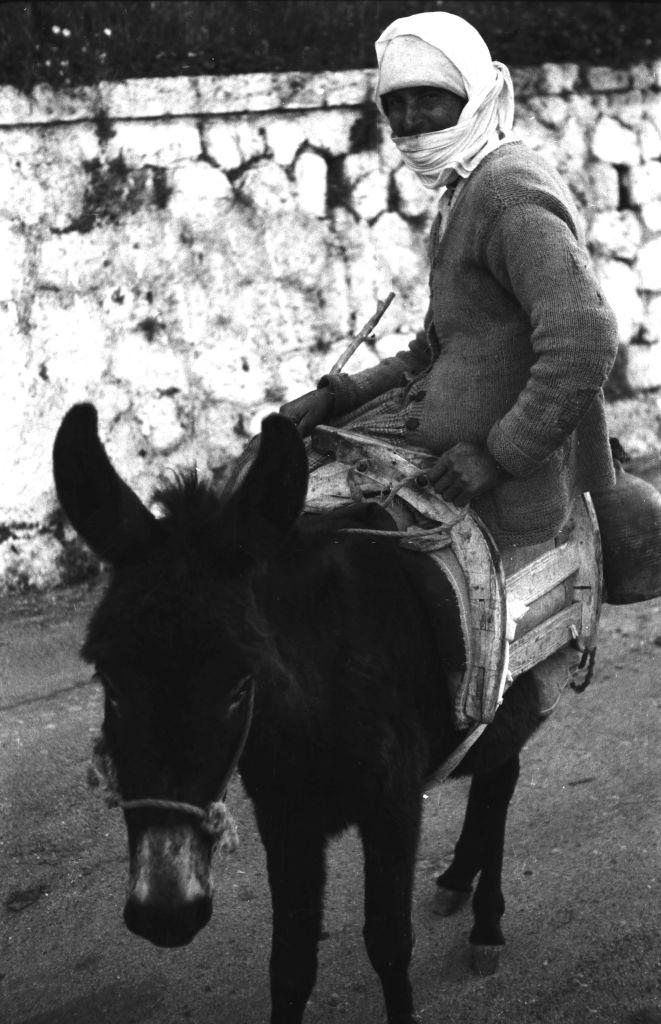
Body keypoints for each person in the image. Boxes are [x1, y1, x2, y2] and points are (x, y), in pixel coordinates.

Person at [277, 11, 620, 715]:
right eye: (394, 104)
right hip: (436, 439)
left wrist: (496, 457)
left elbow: (583, 336)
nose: (409, 119)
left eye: (428, 97)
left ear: (475, 92)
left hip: (492, 475)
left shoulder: (505, 192)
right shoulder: (465, 188)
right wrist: (338, 395)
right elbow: (435, 349)